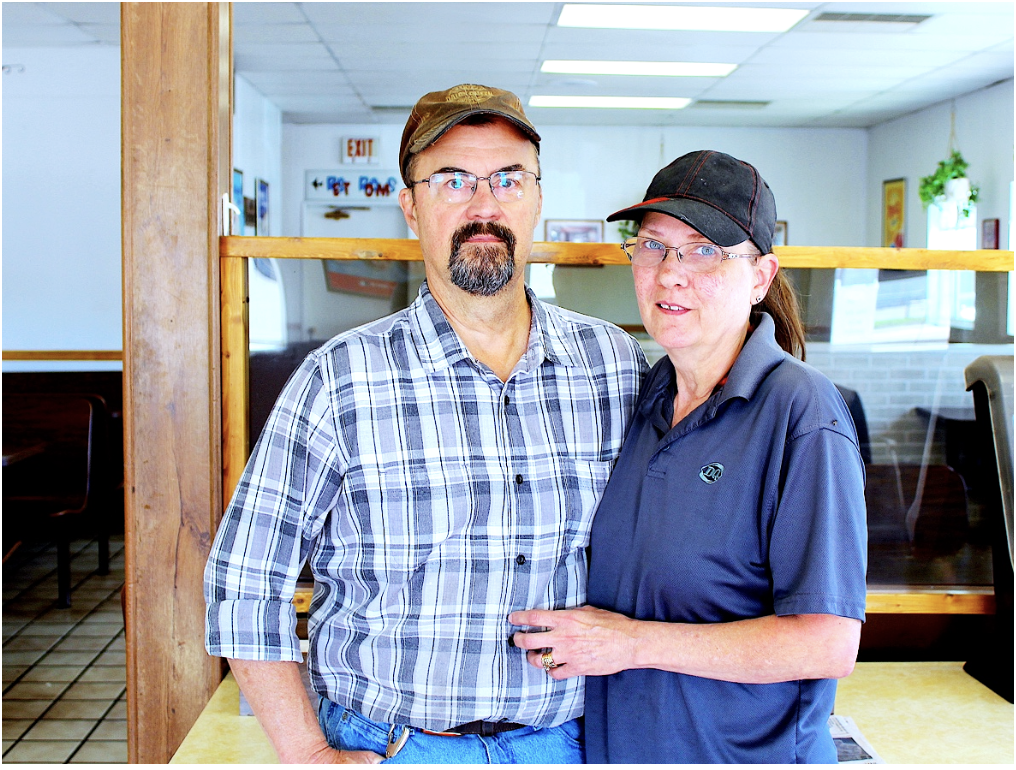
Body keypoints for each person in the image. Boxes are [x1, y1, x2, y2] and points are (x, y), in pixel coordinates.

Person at [203, 84, 647, 764]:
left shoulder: (614, 364)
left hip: (575, 742)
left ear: (536, 197)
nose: (484, 206)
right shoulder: (340, 378)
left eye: (507, 178)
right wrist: (306, 753)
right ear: (410, 206)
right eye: (452, 181)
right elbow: (243, 580)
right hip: (393, 747)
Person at [511, 150, 867, 763]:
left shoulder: (801, 413)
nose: (670, 273)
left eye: (704, 250)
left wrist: (631, 645)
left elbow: (826, 645)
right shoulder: (644, 395)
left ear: (760, 276)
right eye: (652, 246)